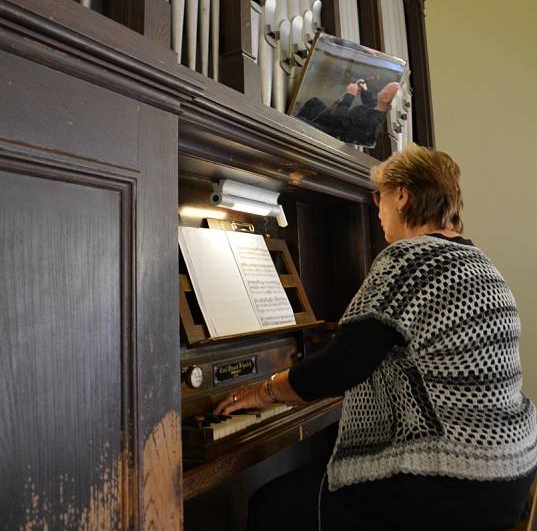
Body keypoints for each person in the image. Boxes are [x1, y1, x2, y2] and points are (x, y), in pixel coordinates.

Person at [215, 144, 537, 530]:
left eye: (378, 197)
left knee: (272, 506)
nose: (378, 210)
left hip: (451, 479)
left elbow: (338, 370)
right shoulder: (480, 262)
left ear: (401, 195)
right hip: (510, 472)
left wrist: (259, 391)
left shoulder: (409, 260)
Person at [297, 80, 399, 147]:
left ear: (385, 98)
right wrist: (364, 91)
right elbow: (370, 102)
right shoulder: (379, 108)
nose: (383, 87)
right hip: (338, 123)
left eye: (385, 88)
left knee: (299, 122)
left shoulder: (371, 122)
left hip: (334, 133)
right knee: (314, 103)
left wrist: (350, 95)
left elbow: (339, 119)